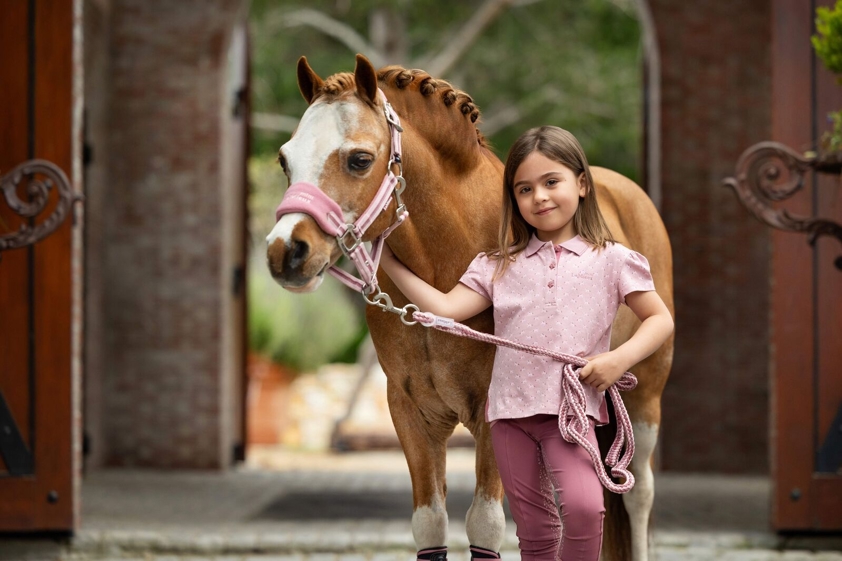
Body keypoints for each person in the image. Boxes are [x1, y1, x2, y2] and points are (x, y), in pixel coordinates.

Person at [379, 126, 674, 561]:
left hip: (571, 417)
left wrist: (617, 360)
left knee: (586, 508)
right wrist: (385, 259)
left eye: (551, 182)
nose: (539, 197)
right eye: (524, 189)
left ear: (582, 184)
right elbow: (445, 307)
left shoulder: (612, 260)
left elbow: (659, 319)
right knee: (534, 528)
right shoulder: (498, 265)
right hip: (509, 418)